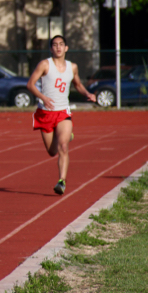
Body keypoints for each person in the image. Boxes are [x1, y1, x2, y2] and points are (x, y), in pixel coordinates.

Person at [27, 35, 96, 195]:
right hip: (45, 113)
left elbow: (77, 84)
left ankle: (61, 181)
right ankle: (65, 136)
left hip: (63, 113)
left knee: (63, 146)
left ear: (66, 48)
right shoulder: (44, 65)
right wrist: (43, 97)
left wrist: (87, 93)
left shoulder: (72, 67)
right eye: (55, 45)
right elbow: (30, 84)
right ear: (51, 49)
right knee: (52, 152)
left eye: (61, 44)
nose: (58, 47)